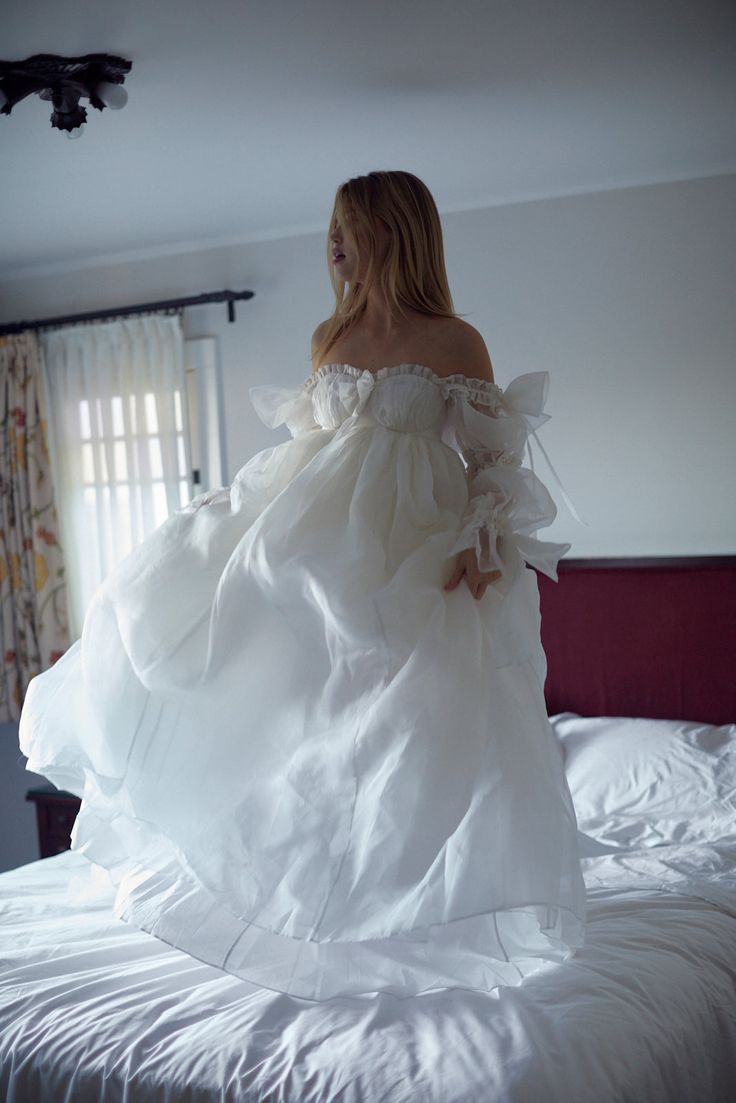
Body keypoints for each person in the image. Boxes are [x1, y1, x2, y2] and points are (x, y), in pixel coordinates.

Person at [19, 170, 586, 1002]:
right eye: (332, 228)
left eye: (349, 227)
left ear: (393, 233)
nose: (333, 243)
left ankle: (411, 898)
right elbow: (312, 451)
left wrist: (480, 538)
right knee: (238, 660)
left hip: (417, 552)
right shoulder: (333, 336)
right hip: (315, 542)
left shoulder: (455, 341)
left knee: (420, 721)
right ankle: (280, 876)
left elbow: (493, 459)